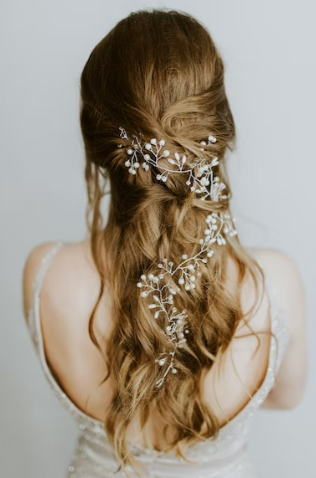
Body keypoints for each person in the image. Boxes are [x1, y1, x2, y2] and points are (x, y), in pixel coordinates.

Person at [22, 9, 307, 478]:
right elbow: (286, 396)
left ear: (96, 139)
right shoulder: (272, 284)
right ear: (216, 130)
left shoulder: (45, 274)